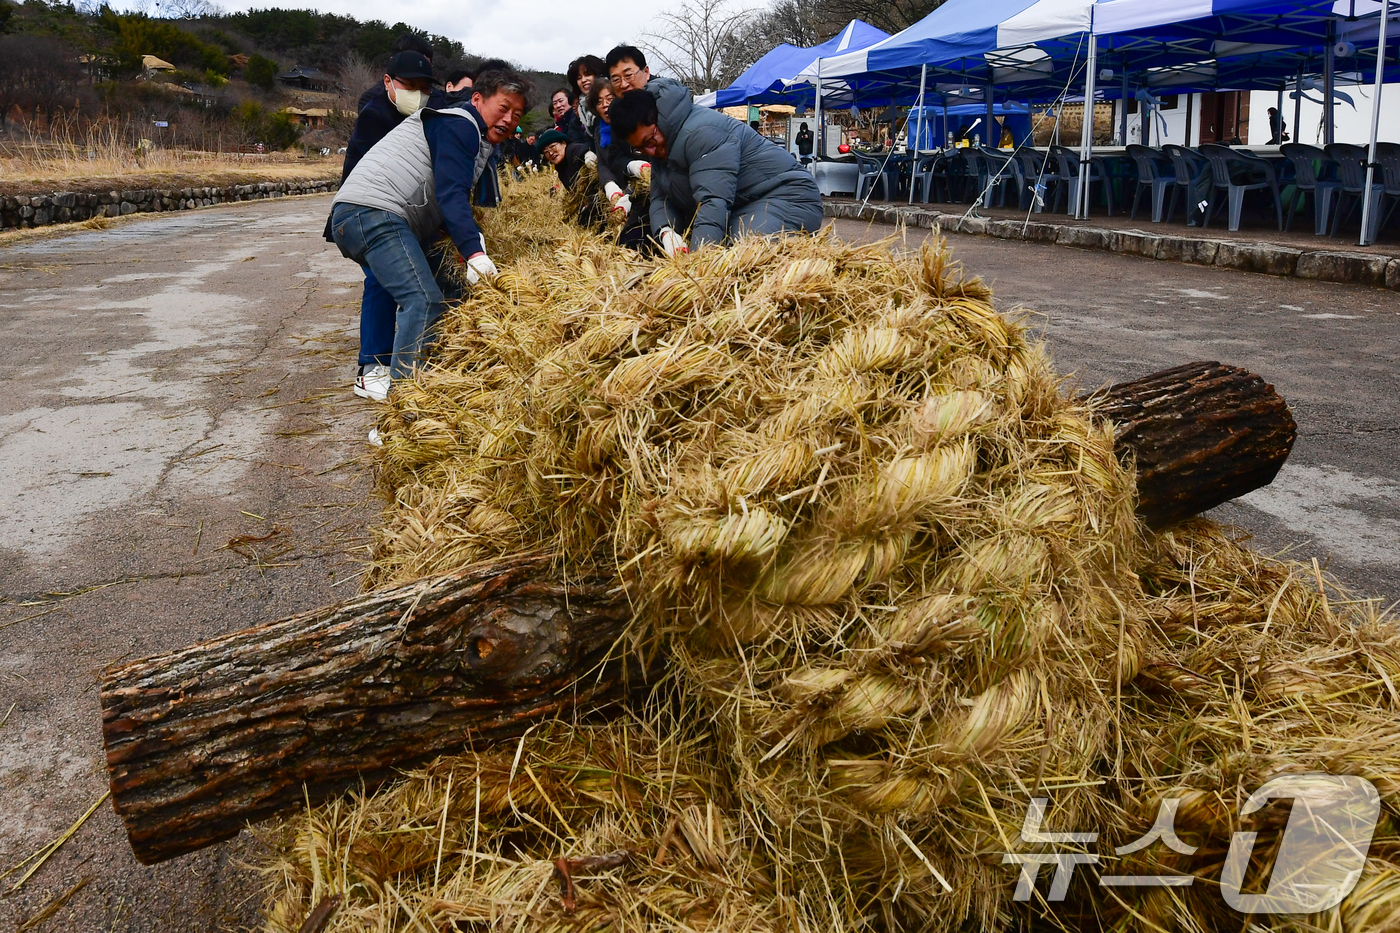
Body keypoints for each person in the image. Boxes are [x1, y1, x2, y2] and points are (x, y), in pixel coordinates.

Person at [330, 68, 531, 421]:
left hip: (375, 215)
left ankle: (444, 377)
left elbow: (444, 201)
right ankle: (402, 415)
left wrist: (460, 243)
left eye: (517, 114)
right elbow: (451, 193)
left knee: (452, 289)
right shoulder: (459, 123)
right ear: (477, 99)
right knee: (422, 300)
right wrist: (475, 252)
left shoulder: (473, 134)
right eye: (503, 107)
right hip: (372, 212)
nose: (510, 119)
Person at [333, 48, 441, 403]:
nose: (417, 94)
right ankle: (371, 366)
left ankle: (407, 355)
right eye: (409, 85)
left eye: (423, 87)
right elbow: (367, 173)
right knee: (380, 280)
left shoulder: (426, 113)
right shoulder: (375, 115)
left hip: (402, 211)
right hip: (371, 209)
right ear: (388, 82)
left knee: (408, 283)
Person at [610, 80, 823, 255]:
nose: (651, 152)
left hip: (789, 196)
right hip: (744, 205)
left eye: (650, 140)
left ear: (658, 119)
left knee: (742, 254)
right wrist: (667, 232)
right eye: (641, 148)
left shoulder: (701, 132)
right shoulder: (661, 143)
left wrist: (699, 267)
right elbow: (660, 198)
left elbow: (713, 202)